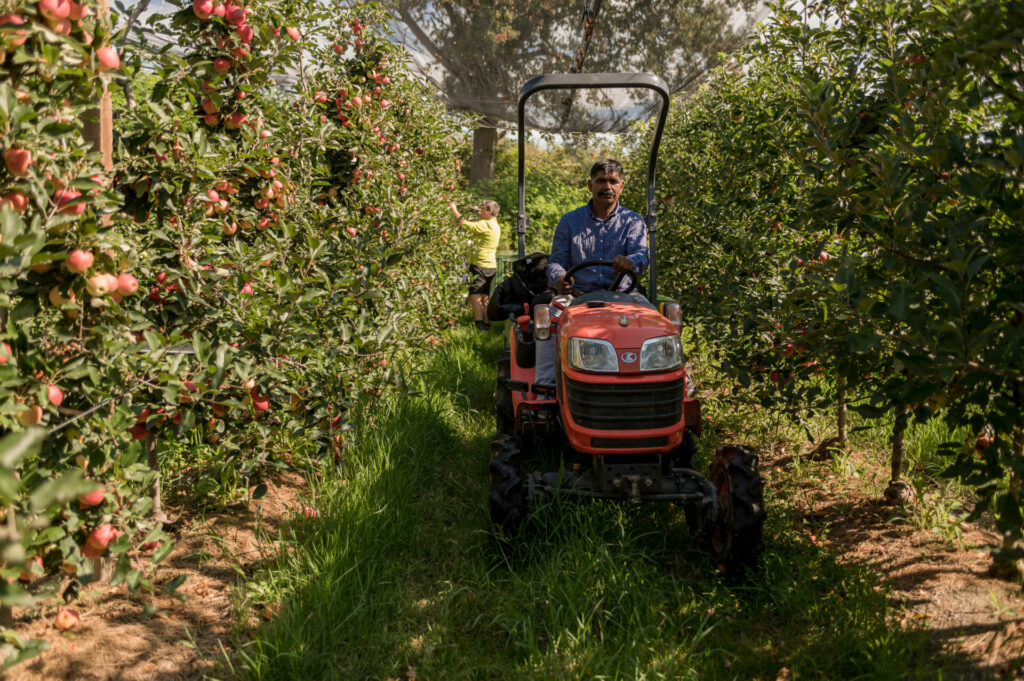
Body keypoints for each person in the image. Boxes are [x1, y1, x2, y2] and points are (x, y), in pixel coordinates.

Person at [547, 158, 648, 296]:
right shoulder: (569, 221)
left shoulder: (633, 220)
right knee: (554, 315)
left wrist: (630, 261)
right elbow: (557, 261)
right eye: (601, 181)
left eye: (613, 181)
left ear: (621, 186)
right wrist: (560, 279)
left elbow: (641, 255)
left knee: (647, 316)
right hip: (576, 294)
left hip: (624, 294)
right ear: (590, 185)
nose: (607, 187)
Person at [450, 200, 502, 331]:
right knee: (485, 295)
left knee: (475, 293)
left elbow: (464, 225)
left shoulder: (486, 224)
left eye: (483, 209)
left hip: (479, 264)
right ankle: (486, 323)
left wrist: (454, 209)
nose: (480, 211)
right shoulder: (495, 225)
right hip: (490, 265)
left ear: (490, 211)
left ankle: (479, 324)